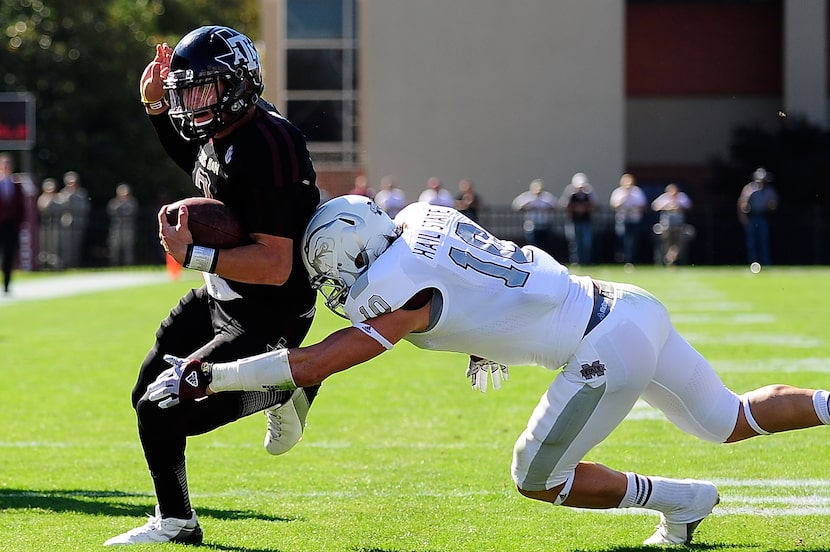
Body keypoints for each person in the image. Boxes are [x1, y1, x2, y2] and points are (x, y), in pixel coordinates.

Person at [150, 195, 830, 547]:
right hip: (627, 307)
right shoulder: (420, 218)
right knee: (730, 419)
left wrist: (211, 377)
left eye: (332, 274)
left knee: (537, 479)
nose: (334, 289)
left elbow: (317, 362)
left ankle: (682, 501)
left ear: (353, 255)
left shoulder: (401, 296)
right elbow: (488, 275)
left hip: (603, 351)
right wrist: (486, 338)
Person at [104, 25, 322, 546]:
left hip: (268, 312)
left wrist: (195, 253)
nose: (194, 102)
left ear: (238, 83)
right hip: (224, 297)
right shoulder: (226, 130)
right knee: (146, 396)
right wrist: (156, 108)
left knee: (165, 408)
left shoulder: (269, 142)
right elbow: (202, 168)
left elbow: (274, 264)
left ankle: (288, 380)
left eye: (204, 88)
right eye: (188, 90)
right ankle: (177, 520)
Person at [738, 167, 778, 267]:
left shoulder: (769, 191)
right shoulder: (750, 190)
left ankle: (765, 262)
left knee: (763, 241)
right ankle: (754, 262)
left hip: (763, 217)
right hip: (752, 217)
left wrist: (771, 207)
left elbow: (774, 204)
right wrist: (744, 218)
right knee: (752, 242)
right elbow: (742, 204)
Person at [0, 153, 25, 294]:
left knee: (9, 255)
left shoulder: (16, 185)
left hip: (11, 225)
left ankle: (6, 284)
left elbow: (21, 207)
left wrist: (19, 223)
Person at [559, 172, 596, 265]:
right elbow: (564, 205)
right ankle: (576, 261)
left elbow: (594, 204)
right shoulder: (571, 195)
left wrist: (584, 207)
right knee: (575, 242)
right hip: (574, 221)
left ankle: (586, 260)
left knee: (586, 242)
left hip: (585, 221)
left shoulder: (588, 194)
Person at [609, 173, 647, 265]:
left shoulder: (637, 192)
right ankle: (623, 258)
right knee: (622, 239)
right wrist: (625, 197)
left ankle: (632, 259)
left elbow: (643, 205)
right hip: (622, 220)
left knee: (633, 241)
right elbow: (614, 205)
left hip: (634, 220)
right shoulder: (618, 192)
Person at [55, 170, 91, 268]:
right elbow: (59, 208)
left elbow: (84, 208)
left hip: (78, 224)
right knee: (66, 246)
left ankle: (75, 264)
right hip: (66, 224)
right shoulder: (63, 194)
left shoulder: (82, 194)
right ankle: (66, 264)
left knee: (76, 245)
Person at [651, 183, 693, 266]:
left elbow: (689, 206)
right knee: (667, 244)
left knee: (678, 244)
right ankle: (669, 260)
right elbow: (654, 206)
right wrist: (667, 207)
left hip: (679, 226)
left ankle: (671, 258)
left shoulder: (681, 197)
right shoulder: (664, 198)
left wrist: (678, 206)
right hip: (666, 226)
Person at [511, 178, 557, 253]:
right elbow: (516, 206)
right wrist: (528, 207)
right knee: (533, 244)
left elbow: (556, 206)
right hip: (532, 225)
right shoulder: (527, 197)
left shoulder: (547, 197)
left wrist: (547, 209)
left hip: (545, 224)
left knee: (545, 244)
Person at [107, 183, 140, 266]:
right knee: (114, 248)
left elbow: (131, 212)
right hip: (116, 229)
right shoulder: (114, 202)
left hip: (128, 229)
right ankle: (114, 264)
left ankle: (128, 264)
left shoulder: (132, 202)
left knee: (128, 248)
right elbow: (111, 211)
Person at [36, 178, 62, 270]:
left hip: (54, 225)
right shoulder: (42, 198)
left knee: (54, 246)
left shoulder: (58, 199)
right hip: (44, 225)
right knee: (44, 245)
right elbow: (42, 208)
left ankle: (54, 264)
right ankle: (44, 264)